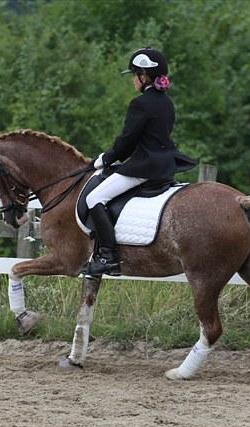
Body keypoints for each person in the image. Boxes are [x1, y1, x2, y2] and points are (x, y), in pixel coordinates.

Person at [82, 47, 196, 277]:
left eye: (134, 74)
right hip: (166, 166)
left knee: (95, 198)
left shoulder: (140, 104)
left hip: (145, 166)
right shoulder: (167, 103)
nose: (133, 80)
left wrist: (105, 159)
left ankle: (107, 257)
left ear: (144, 76)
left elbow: (127, 141)